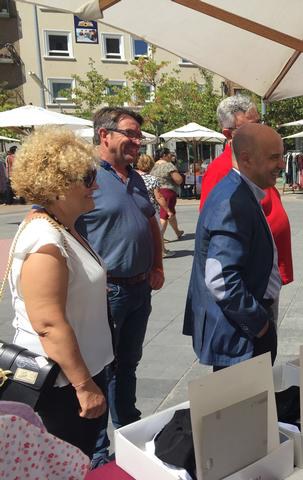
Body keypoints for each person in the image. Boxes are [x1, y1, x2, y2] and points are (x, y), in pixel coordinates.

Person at [7, 127, 113, 456]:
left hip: (79, 372)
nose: (96, 185)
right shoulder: (46, 239)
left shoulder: (60, 227)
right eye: (87, 177)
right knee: (69, 461)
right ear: (57, 185)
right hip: (63, 382)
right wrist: (84, 386)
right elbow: (48, 323)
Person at [76, 107, 165, 468]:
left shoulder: (135, 178)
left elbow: (150, 222)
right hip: (107, 292)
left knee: (128, 364)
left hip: (139, 289)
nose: (137, 141)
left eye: (139, 135)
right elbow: (59, 224)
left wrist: (157, 264)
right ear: (105, 135)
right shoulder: (85, 175)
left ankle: (129, 431)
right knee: (101, 370)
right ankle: (97, 453)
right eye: (130, 133)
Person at [183, 123, 284, 369]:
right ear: (246, 159)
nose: (282, 165)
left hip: (242, 331)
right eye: (274, 157)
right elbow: (221, 279)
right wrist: (259, 324)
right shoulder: (233, 201)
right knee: (246, 395)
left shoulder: (240, 191)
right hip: (240, 337)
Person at [199, 95, 293, 287]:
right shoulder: (220, 170)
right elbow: (213, 232)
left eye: (259, 123)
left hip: (267, 270)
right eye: (250, 128)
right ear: (228, 134)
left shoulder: (256, 158)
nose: (259, 131)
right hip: (251, 277)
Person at [135, 154, 174, 258]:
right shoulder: (152, 179)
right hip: (151, 209)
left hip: (136, 209)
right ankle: (162, 251)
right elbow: (159, 197)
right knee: (157, 232)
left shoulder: (133, 177)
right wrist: (168, 210)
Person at [151, 148, 184, 241]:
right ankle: (159, 237)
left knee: (170, 213)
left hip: (156, 191)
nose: (171, 156)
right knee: (165, 215)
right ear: (164, 155)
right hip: (167, 191)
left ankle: (177, 232)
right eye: (170, 154)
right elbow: (178, 179)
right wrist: (181, 178)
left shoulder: (153, 165)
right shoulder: (168, 165)